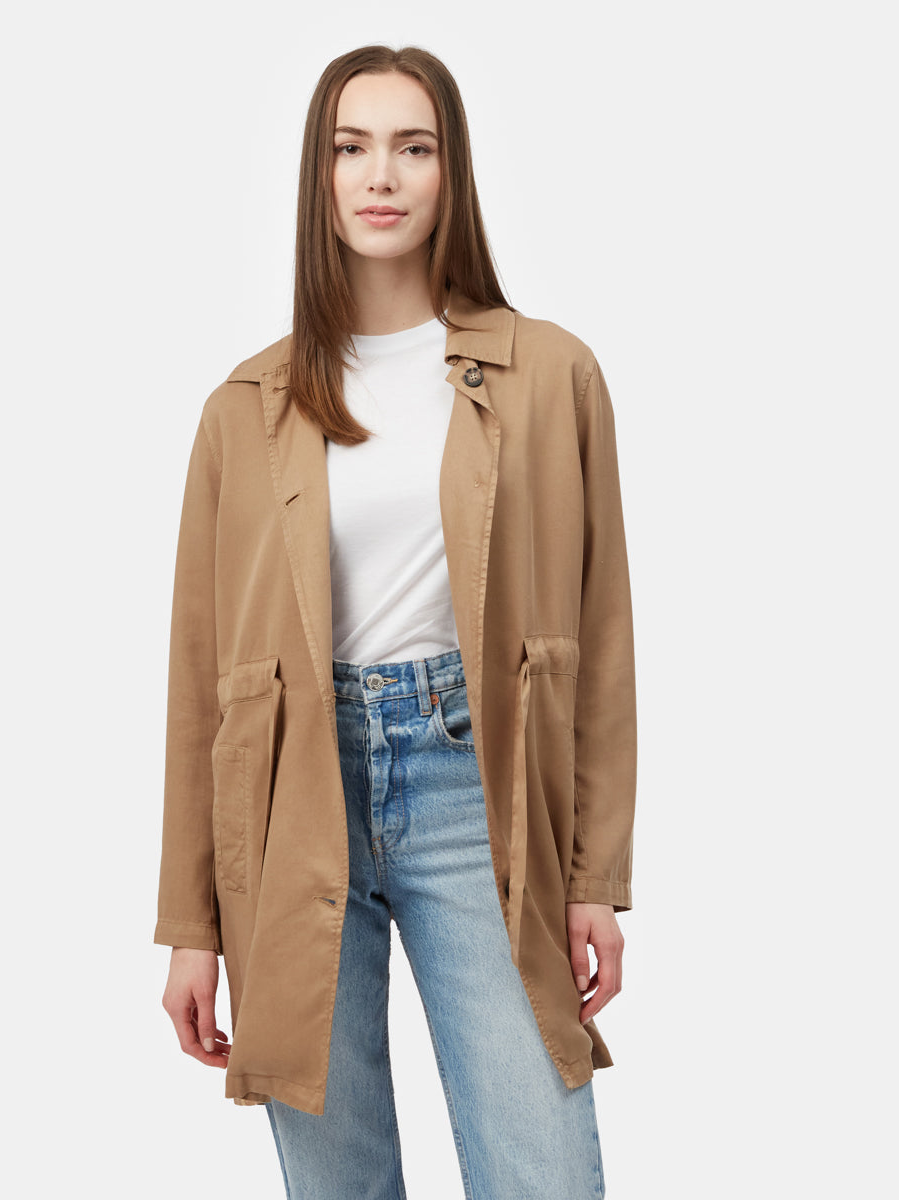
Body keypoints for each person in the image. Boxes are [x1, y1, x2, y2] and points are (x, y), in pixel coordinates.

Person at [155, 43, 636, 1200]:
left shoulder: (550, 374)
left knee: (540, 1169)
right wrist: (192, 923)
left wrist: (594, 876)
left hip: (477, 784)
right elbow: (201, 680)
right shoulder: (245, 408)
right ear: (319, 176)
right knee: (339, 1180)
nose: (381, 176)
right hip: (291, 801)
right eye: (351, 147)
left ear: (450, 171)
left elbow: (602, 636)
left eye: (413, 147)